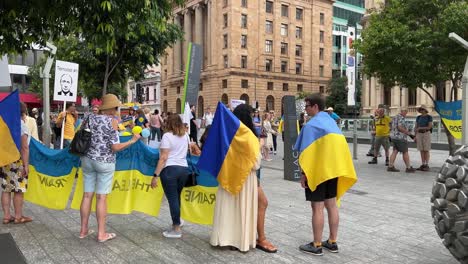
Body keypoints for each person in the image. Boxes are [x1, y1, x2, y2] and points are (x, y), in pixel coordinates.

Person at [79, 94, 141, 242]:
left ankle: (83, 230)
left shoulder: (88, 117)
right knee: (101, 197)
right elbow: (115, 147)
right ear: (113, 108)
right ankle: (101, 234)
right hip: (105, 162)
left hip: (87, 159)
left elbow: (81, 134)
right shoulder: (112, 122)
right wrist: (132, 141)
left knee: (87, 195)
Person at [297, 94, 347, 255]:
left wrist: (304, 174)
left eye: (307, 106)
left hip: (317, 172)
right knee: (332, 205)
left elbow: (305, 153)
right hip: (333, 170)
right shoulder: (332, 123)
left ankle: (317, 245)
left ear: (315, 106)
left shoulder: (311, 126)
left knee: (317, 207)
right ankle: (332, 242)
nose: (305, 110)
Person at [210, 104, 260, 252]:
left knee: (227, 208)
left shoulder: (227, 133)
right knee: (242, 209)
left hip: (228, 174)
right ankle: (240, 240)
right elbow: (256, 163)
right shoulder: (250, 136)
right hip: (245, 178)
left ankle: (224, 238)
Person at [151, 114, 189, 238]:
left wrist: (155, 175)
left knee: (172, 199)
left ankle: (176, 228)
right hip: (184, 170)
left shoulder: (167, 136)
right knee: (176, 197)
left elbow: (163, 157)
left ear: (169, 124)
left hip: (170, 170)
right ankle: (178, 220)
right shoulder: (186, 136)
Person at [1, 102, 33, 225]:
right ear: (23, 113)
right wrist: (26, 165)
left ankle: (6, 216)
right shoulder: (21, 125)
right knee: (18, 190)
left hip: (5, 160)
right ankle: (19, 216)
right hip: (18, 161)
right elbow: (24, 147)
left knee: (6, 189)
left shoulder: (4, 124)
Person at [387, 108, 416, 173]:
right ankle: (408, 167)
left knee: (395, 151)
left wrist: (392, 132)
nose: (406, 113)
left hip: (394, 137)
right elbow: (400, 127)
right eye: (406, 111)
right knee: (405, 152)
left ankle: (390, 166)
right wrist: (410, 134)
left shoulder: (394, 117)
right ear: (402, 111)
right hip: (400, 138)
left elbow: (390, 125)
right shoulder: (401, 118)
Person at [415, 105, 433, 171]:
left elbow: (429, 127)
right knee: (421, 149)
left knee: (426, 149)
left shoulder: (429, 117)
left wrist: (420, 128)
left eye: (422, 109)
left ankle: (427, 164)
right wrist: (415, 136)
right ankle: (423, 164)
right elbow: (416, 126)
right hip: (419, 134)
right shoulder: (418, 117)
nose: (421, 111)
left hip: (426, 133)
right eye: (420, 110)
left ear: (425, 110)